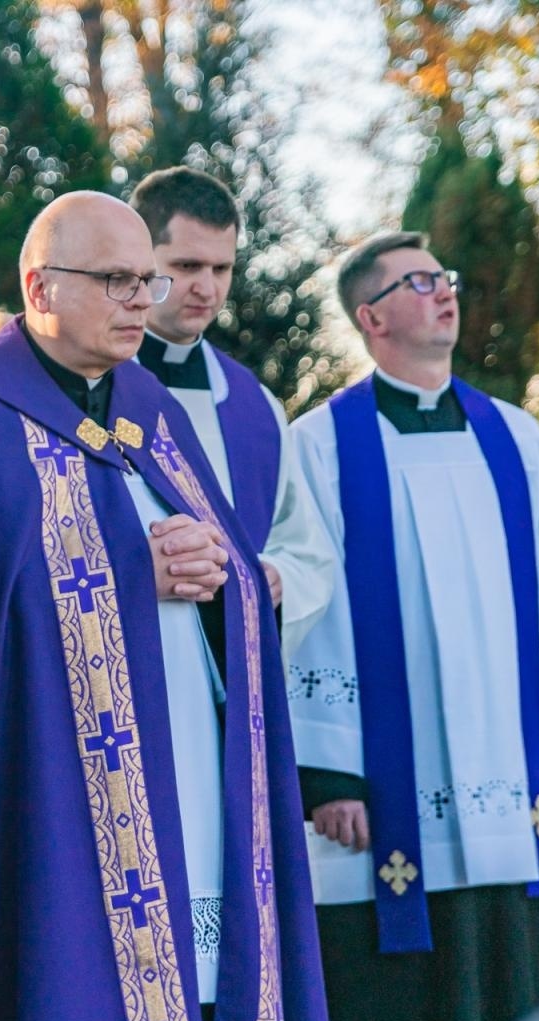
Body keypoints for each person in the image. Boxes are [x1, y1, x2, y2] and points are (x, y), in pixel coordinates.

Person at [0, 191, 331, 1021]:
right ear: (41, 285)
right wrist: (136, 575)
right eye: (117, 281)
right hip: (43, 810)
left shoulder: (148, 406)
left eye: (148, 279)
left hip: (186, 796)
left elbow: (233, 573)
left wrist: (221, 575)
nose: (145, 300)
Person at [285, 231, 539, 1021]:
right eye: (418, 282)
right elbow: (312, 607)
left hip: (505, 775)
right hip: (382, 795)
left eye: (445, 276)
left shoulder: (512, 434)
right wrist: (331, 774)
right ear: (371, 317)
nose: (446, 291)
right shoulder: (322, 444)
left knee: (505, 983)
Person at [128, 167, 335, 659]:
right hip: (133, 654)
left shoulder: (252, 405)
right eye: (187, 266)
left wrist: (280, 576)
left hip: (231, 674)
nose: (207, 288)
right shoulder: (89, 382)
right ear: (139, 258)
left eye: (221, 269)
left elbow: (303, 543)